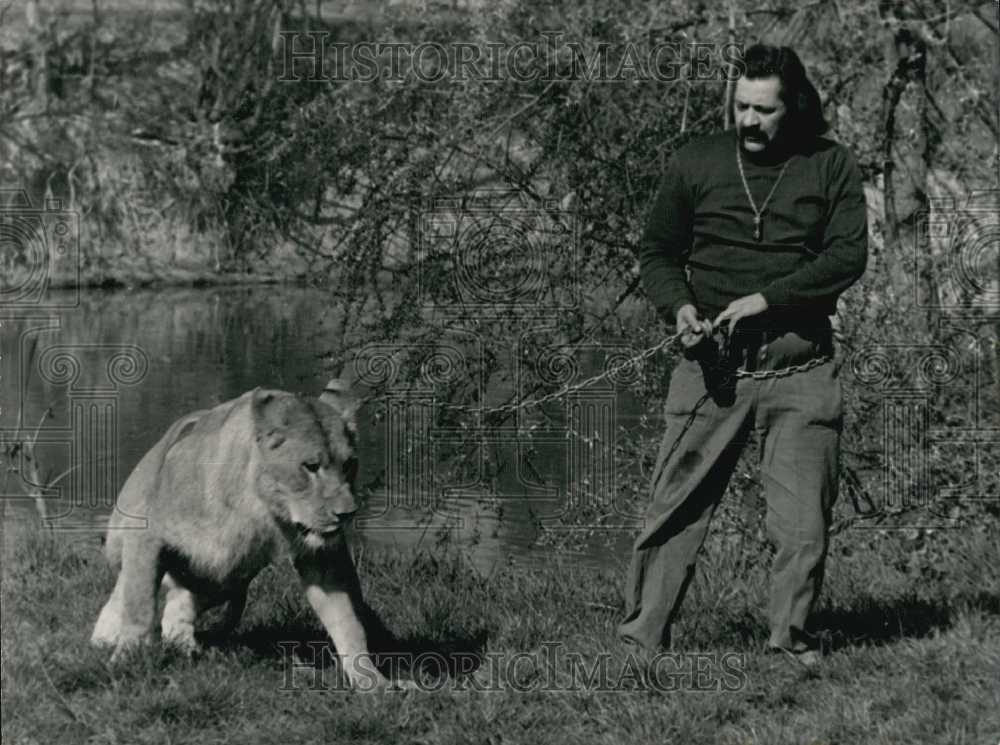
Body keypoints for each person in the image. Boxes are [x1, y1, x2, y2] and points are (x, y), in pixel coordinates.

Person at [619, 43, 868, 664]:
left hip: (802, 367)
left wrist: (770, 300)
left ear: (796, 106)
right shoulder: (696, 160)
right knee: (674, 513)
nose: (749, 121)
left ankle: (790, 644)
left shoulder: (830, 165)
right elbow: (657, 253)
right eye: (741, 106)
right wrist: (678, 308)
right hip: (710, 370)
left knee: (803, 525)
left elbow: (847, 258)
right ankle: (640, 646)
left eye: (764, 110)